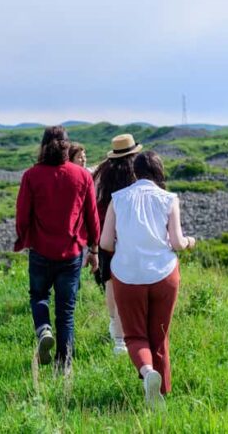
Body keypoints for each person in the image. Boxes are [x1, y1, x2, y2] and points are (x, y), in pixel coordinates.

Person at [100, 151, 196, 407]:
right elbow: (176, 242)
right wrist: (189, 242)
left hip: (127, 275)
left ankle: (147, 372)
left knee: (134, 335)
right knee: (160, 335)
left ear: (135, 172)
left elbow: (105, 243)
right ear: (159, 171)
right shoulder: (169, 199)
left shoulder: (117, 199)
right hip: (163, 274)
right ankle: (162, 394)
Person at [15, 126, 100, 369]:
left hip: (40, 250)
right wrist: (94, 250)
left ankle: (43, 329)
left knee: (39, 296)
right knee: (66, 311)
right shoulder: (82, 176)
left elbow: (22, 216)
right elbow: (92, 216)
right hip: (71, 253)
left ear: (43, 147)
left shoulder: (31, 176)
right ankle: (64, 366)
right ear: (66, 146)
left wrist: (25, 239)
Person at [92, 134, 140, 354]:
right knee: (134, 281)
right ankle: (132, 328)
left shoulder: (102, 172)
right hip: (132, 234)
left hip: (106, 233)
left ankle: (115, 324)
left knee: (111, 281)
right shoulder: (137, 173)